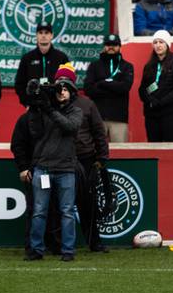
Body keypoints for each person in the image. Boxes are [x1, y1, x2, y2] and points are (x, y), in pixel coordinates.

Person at [19, 64, 83, 261]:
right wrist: (35, 100)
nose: (62, 92)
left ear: (72, 93)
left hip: (66, 169)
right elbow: (35, 131)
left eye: (65, 89)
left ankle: (68, 251)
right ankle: (36, 250)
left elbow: (69, 127)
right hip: (43, 168)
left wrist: (48, 109)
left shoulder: (76, 111)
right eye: (59, 88)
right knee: (39, 212)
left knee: (67, 212)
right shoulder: (45, 109)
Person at [71, 65, 111, 253]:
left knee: (88, 204)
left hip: (86, 159)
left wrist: (102, 158)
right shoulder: (53, 104)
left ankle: (94, 242)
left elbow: (99, 132)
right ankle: (56, 244)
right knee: (58, 205)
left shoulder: (87, 104)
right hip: (61, 160)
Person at [138, 30, 173, 141]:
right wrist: (151, 100)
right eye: (155, 42)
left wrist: (162, 102)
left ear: (167, 44)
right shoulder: (149, 66)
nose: (158, 45)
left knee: (170, 148)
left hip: (171, 114)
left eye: (161, 42)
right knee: (153, 147)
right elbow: (142, 90)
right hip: (151, 115)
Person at [83, 35, 135, 143]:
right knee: (95, 153)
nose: (111, 47)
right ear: (104, 46)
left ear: (120, 47)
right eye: (108, 44)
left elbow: (125, 88)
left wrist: (102, 83)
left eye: (114, 45)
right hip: (97, 118)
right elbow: (88, 89)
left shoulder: (127, 66)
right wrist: (114, 87)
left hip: (119, 119)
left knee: (121, 155)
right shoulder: (94, 66)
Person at [13, 21, 70, 107]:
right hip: (34, 108)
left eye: (46, 33)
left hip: (57, 107)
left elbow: (69, 82)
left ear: (52, 35)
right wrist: (27, 103)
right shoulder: (27, 58)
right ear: (36, 35)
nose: (43, 35)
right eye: (40, 33)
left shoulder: (62, 58)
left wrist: (63, 102)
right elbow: (19, 84)